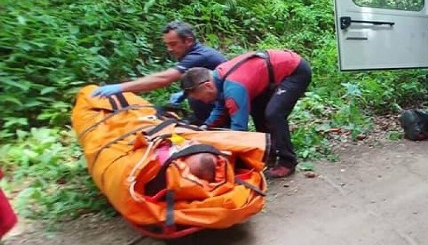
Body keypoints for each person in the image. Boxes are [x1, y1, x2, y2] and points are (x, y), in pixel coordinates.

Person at [181, 50, 312, 178]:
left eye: (200, 98)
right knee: (257, 111)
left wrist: (228, 161)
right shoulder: (218, 79)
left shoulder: (234, 88)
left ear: (208, 86)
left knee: (274, 114)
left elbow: (239, 131)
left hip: (294, 71)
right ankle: (269, 153)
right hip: (269, 76)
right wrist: (205, 127)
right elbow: (220, 108)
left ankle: (287, 161)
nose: (203, 101)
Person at [90, 21, 227, 125]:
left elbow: (164, 78)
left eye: (173, 44)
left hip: (223, 109)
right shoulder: (192, 54)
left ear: (189, 41)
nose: (169, 49)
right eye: (167, 45)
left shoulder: (199, 55)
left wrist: (120, 88)